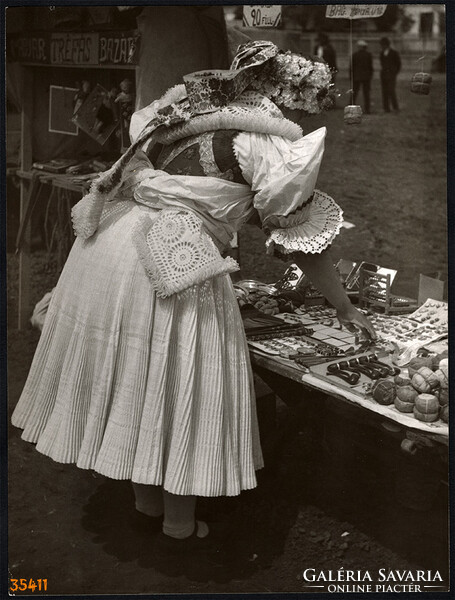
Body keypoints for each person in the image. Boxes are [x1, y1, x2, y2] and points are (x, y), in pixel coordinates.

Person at [12, 41, 375, 553]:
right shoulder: (260, 140)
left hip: (110, 249)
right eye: (303, 104)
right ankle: (179, 526)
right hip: (170, 259)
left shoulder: (177, 119)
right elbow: (299, 237)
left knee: (138, 372)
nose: (300, 114)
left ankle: (146, 506)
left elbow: (177, 189)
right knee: (182, 376)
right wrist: (343, 304)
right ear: (285, 97)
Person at [350, 40, 373, 114]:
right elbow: (370, 66)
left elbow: (351, 67)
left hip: (357, 76)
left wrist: (351, 76)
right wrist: (370, 75)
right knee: (366, 93)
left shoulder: (355, 55)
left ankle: (350, 106)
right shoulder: (368, 55)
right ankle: (367, 109)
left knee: (355, 92)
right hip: (366, 76)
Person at [379, 36, 401, 113]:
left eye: (383, 45)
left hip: (391, 75)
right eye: (381, 45)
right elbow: (382, 63)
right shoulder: (382, 53)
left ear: (387, 45)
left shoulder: (394, 53)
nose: (382, 46)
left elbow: (398, 64)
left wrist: (394, 72)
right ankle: (386, 108)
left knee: (391, 91)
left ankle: (395, 107)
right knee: (384, 91)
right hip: (384, 75)